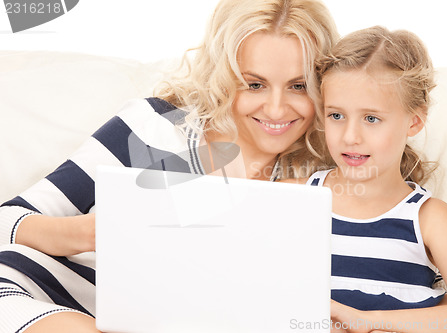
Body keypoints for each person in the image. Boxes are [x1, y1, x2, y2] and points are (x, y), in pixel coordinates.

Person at [0, 1, 339, 332]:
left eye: (299, 86)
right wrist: (91, 232)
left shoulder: (323, 173)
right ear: (224, 77)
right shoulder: (156, 127)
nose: (277, 110)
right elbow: (7, 220)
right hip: (43, 295)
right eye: (254, 84)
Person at [303, 26, 447, 332]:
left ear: (415, 121)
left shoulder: (428, 219)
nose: (350, 137)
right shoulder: (298, 199)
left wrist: (368, 321)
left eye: (371, 119)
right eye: (336, 115)